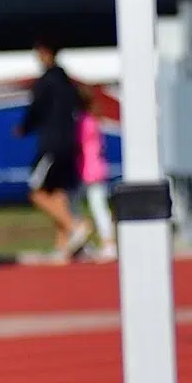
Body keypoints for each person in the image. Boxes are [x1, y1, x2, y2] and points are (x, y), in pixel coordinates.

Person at [19, 38, 88, 258]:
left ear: (46, 52)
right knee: (57, 192)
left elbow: (36, 109)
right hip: (69, 142)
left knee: (36, 192)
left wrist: (24, 127)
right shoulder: (68, 81)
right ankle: (63, 245)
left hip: (52, 144)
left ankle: (75, 225)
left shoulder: (46, 82)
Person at [74, 96, 114, 260]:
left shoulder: (83, 123)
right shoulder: (95, 121)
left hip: (88, 169)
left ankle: (107, 243)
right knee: (98, 206)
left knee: (94, 206)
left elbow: (77, 144)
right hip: (98, 167)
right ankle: (104, 242)